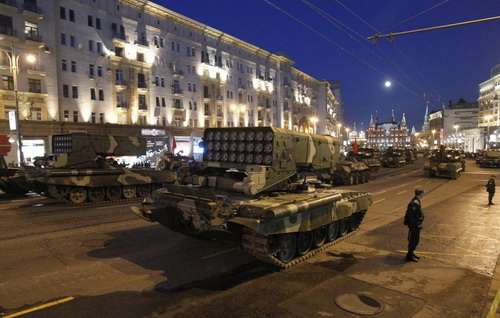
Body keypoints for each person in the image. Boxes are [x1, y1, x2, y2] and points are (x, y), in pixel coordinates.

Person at [405, 188, 425, 262]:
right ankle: (409, 255)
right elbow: (412, 214)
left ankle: (411, 253)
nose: (423, 195)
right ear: (420, 194)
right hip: (414, 224)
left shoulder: (417, 201)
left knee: (415, 240)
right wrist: (415, 222)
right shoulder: (415, 202)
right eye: (422, 193)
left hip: (416, 224)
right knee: (414, 240)